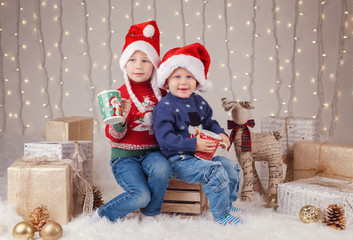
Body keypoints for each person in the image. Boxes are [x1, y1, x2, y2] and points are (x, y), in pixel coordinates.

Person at [153, 43, 242, 226]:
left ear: (198, 81)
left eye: (189, 76)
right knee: (214, 171)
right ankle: (221, 215)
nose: (183, 82)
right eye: (177, 76)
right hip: (178, 160)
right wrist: (195, 145)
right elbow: (165, 139)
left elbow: (210, 122)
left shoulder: (199, 102)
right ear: (167, 81)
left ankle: (228, 203)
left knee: (232, 168)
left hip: (201, 156)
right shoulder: (165, 107)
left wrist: (221, 134)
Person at [90, 21, 171, 223]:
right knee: (140, 194)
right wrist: (121, 120)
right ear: (125, 63)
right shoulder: (117, 95)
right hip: (125, 158)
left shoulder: (162, 94)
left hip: (152, 153)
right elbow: (112, 135)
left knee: (162, 167)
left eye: (145, 61)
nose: (138, 65)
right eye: (132, 59)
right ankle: (101, 216)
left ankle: (150, 214)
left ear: (154, 64)